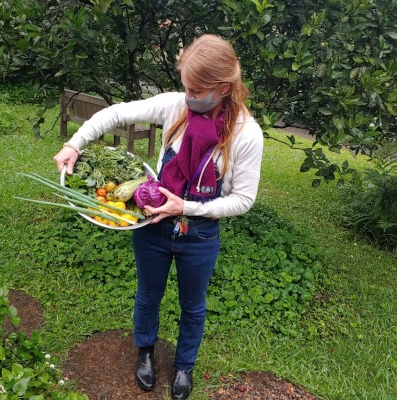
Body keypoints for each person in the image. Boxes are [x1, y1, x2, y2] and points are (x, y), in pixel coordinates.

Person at [53, 34, 263, 400]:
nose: (189, 96)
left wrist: (187, 207)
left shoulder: (247, 135)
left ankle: (184, 367)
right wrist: (75, 143)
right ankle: (146, 351)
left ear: (223, 88)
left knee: (193, 306)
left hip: (199, 234)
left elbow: (243, 199)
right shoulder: (175, 107)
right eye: (186, 87)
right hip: (152, 226)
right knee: (148, 295)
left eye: (197, 90)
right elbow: (117, 113)